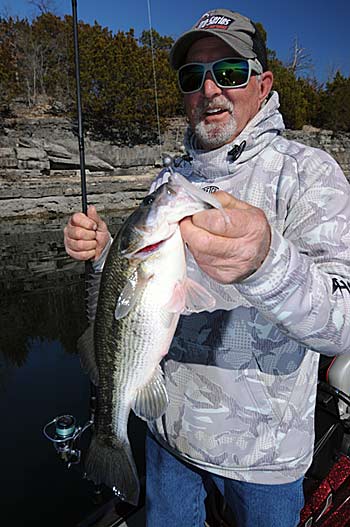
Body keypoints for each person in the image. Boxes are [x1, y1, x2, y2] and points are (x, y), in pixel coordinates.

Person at [64, 8, 350, 527]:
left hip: (264, 457)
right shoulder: (170, 179)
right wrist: (108, 252)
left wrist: (265, 262)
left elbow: (344, 319)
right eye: (193, 77)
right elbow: (154, 287)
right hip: (168, 433)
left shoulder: (309, 174)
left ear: (262, 85)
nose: (211, 88)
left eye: (230, 72)